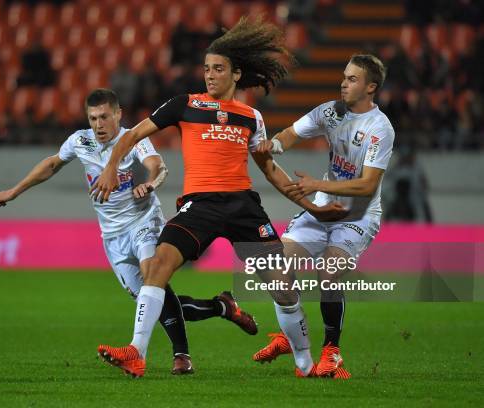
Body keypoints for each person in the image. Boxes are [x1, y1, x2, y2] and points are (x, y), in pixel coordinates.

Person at [90, 17, 346, 378]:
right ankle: (137, 351)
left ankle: (305, 365)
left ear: (236, 74)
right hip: (200, 205)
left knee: (283, 287)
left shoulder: (250, 118)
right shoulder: (184, 104)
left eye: (218, 69)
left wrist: (311, 208)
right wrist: (110, 167)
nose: (210, 75)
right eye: (207, 69)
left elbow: (270, 169)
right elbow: (131, 136)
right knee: (160, 264)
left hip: (242, 205)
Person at [0, 88, 258, 375]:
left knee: (151, 280)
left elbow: (158, 166)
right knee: (154, 303)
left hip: (143, 222)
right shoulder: (80, 141)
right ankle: (222, 307)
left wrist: (150, 185)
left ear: (118, 114)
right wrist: (15, 191)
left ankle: (179, 356)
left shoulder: (133, 139)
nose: (98, 124)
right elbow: (53, 163)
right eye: (93, 117)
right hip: (112, 237)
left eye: (105, 116)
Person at [252, 54, 395, 379]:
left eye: (353, 79)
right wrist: (272, 145)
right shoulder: (330, 112)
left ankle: (332, 352)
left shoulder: (380, 129)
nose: (344, 83)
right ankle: (290, 337)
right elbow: (290, 134)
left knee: (328, 275)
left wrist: (317, 183)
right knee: (277, 266)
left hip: (357, 217)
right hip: (321, 210)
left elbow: (368, 185)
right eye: (344, 76)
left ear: (371, 87)